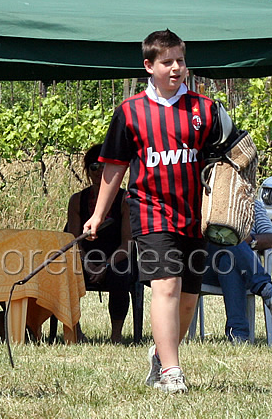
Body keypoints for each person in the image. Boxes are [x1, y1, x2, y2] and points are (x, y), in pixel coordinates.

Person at [84, 29, 222, 394]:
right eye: (167, 62)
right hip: (150, 213)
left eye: (180, 60)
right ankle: (172, 373)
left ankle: (162, 355)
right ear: (149, 66)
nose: (176, 68)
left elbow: (226, 162)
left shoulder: (204, 109)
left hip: (193, 216)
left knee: (188, 301)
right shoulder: (130, 113)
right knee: (166, 286)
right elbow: (114, 167)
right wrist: (98, 214)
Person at [66, 144, 132, 344]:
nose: (100, 172)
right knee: (65, 272)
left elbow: (128, 244)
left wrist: (106, 265)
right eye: (95, 166)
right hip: (85, 255)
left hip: (116, 255)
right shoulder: (77, 200)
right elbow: (72, 240)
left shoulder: (125, 200)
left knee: (120, 273)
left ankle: (116, 335)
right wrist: (86, 262)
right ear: (87, 170)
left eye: (105, 167)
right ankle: (75, 331)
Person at [203, 199, 272, 343]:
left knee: (228, 261)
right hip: (206, 268)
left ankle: (238, 336)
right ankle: (266, 289)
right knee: (229, 239)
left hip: (241, 271)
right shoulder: (207, 200)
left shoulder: (252, 204)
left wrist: (250, 240)